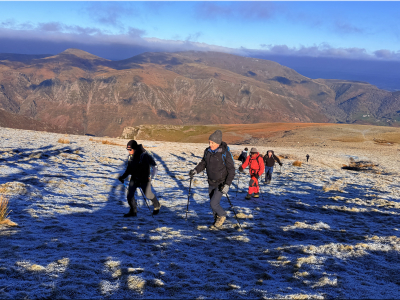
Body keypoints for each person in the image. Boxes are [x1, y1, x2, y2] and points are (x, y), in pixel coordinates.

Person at [189, 130, 235, 229]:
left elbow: (231, 170)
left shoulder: (225, 153)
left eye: (212, 142)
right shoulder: (207, 151)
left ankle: (222, 215)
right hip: (211, 181)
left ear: (218, 143)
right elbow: (203, 163)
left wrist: (227, 185)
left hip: (221, 183)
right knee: (213, 205)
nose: (210, 144)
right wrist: (195, 171)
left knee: (213, 203)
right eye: (209, 142)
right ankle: (216, 223)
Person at [118, 140, 160, 217]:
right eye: (127, 149)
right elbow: (129, 169)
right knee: (129, 196)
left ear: (135, 148)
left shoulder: (144, 156)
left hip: (144, 179)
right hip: (134, 178)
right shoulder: (131, 157)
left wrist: (151, 177)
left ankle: (156, 205)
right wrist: (123, 177)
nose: (128, 151)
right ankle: (133, 211)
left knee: (148, 195)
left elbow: (153, 166)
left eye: (130, 149)